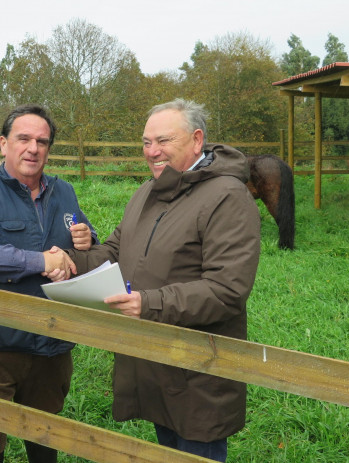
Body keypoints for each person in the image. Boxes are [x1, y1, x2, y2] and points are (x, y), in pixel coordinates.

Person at [66, 99, 261, 462]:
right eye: (145, 142)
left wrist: (148, 302)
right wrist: (72, 259)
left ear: (197, 139)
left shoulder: (228, 198)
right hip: (155, 358)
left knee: (196, 449)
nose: (152, 152)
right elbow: (115, 253)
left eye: (163, 141)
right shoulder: (147, 192)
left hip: (200, 369)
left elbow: (227, 290)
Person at [0, 104, 98, 463]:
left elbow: (87, 241)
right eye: (23, 138)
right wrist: (39, 261)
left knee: (44, 438)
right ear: (3, 144)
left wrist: (86, 240)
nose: (33, 148)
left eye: (42, 141)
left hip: (51, 344)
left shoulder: (65, 194)